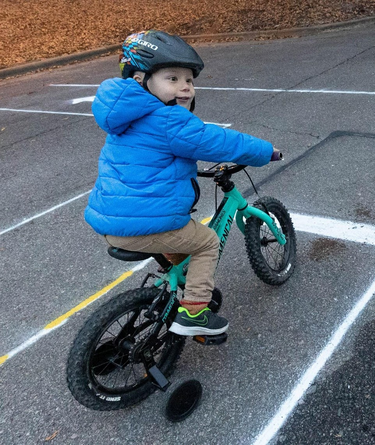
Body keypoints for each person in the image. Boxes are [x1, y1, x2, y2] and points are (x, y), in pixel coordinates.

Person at [85, 30, 278, 337]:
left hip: (111, 220)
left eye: (188, 80)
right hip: (147, 224)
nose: (185, 88)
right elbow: (219, 141)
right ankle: (195, 314)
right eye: (172, 79)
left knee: (179, 242)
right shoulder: (169, 120)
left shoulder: (124, 119)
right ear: (140, 80)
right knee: (206, 243)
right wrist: (266, 151)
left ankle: (177, 289)